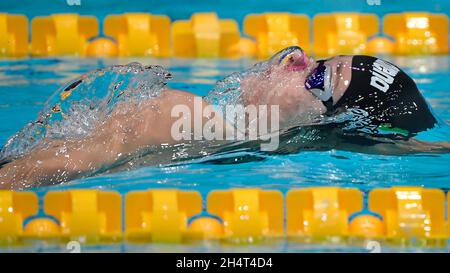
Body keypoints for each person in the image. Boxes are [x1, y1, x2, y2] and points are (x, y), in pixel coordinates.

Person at [0, 46, 448, 189]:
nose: (294, 55)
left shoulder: (281, 141)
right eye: (319, 58)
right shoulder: (172, 111)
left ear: (328, 123)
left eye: (319, 77)